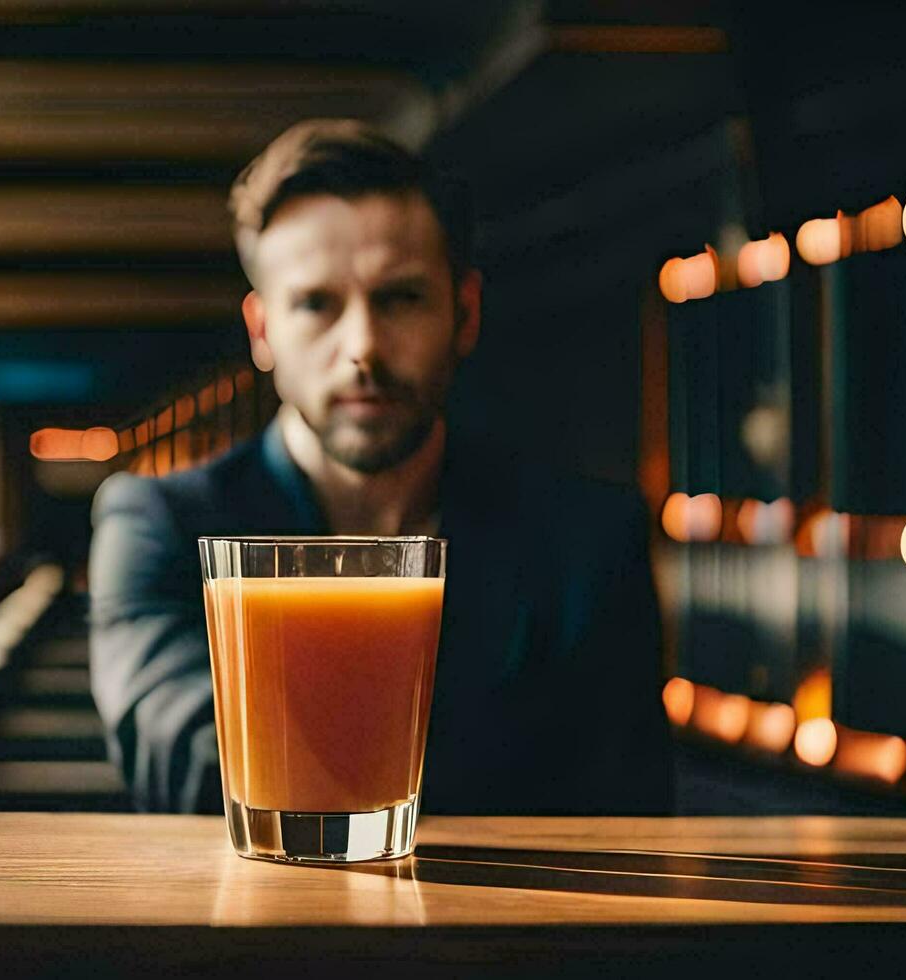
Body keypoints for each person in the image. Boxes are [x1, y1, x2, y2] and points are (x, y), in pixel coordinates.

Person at [87, 119, 673, 816]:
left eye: (400, 298)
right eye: (316, 304)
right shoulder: (161, 526)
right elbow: (183, 763)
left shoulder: (589, 541)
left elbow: (627, 808)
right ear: (264, 331)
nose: (362, 346)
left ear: (465, 313)